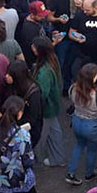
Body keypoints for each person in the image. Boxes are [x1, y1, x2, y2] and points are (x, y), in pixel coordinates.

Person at [66, 63, 97, 185]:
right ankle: (89, 173)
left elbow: (71, 100)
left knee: (79, 145)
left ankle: (71, 172)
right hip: (92, 125)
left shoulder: (73, 89)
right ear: (93, 78)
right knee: (92, 150)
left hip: (77, 121)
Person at [32, 36, 65, 167]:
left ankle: (37, 159)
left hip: (46, 109)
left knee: (41, 135)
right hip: (54, 104)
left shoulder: (44, 71)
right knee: (55, 132)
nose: (32, 48)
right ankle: (58, 157)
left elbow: (42, 94)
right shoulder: (53, 60)